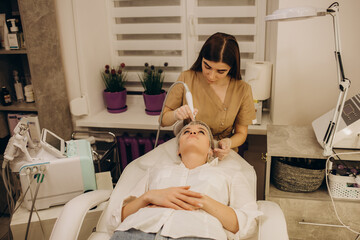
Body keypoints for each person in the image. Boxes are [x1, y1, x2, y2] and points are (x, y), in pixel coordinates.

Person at [109, 121, 262, 240]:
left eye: (201, 132)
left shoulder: (230, 174)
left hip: (198, 234)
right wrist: (148, 197)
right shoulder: (155, 171)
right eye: (186, 132)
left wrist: (203, 201)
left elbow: (247, 225)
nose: (193, 132)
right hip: (133, 232)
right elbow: (117, 218)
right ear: (178, 149)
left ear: (210, 150)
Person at [161, 32, 256, 160]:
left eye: (220, 71)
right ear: (202, 58)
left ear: (231, 68)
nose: (211, 76)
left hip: (221, 155)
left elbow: (241, 133)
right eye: (207, 66)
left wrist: (229, 142)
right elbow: (162, 120)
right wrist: (175, 115)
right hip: (190, 152)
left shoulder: (242, 90)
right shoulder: (187, 78)